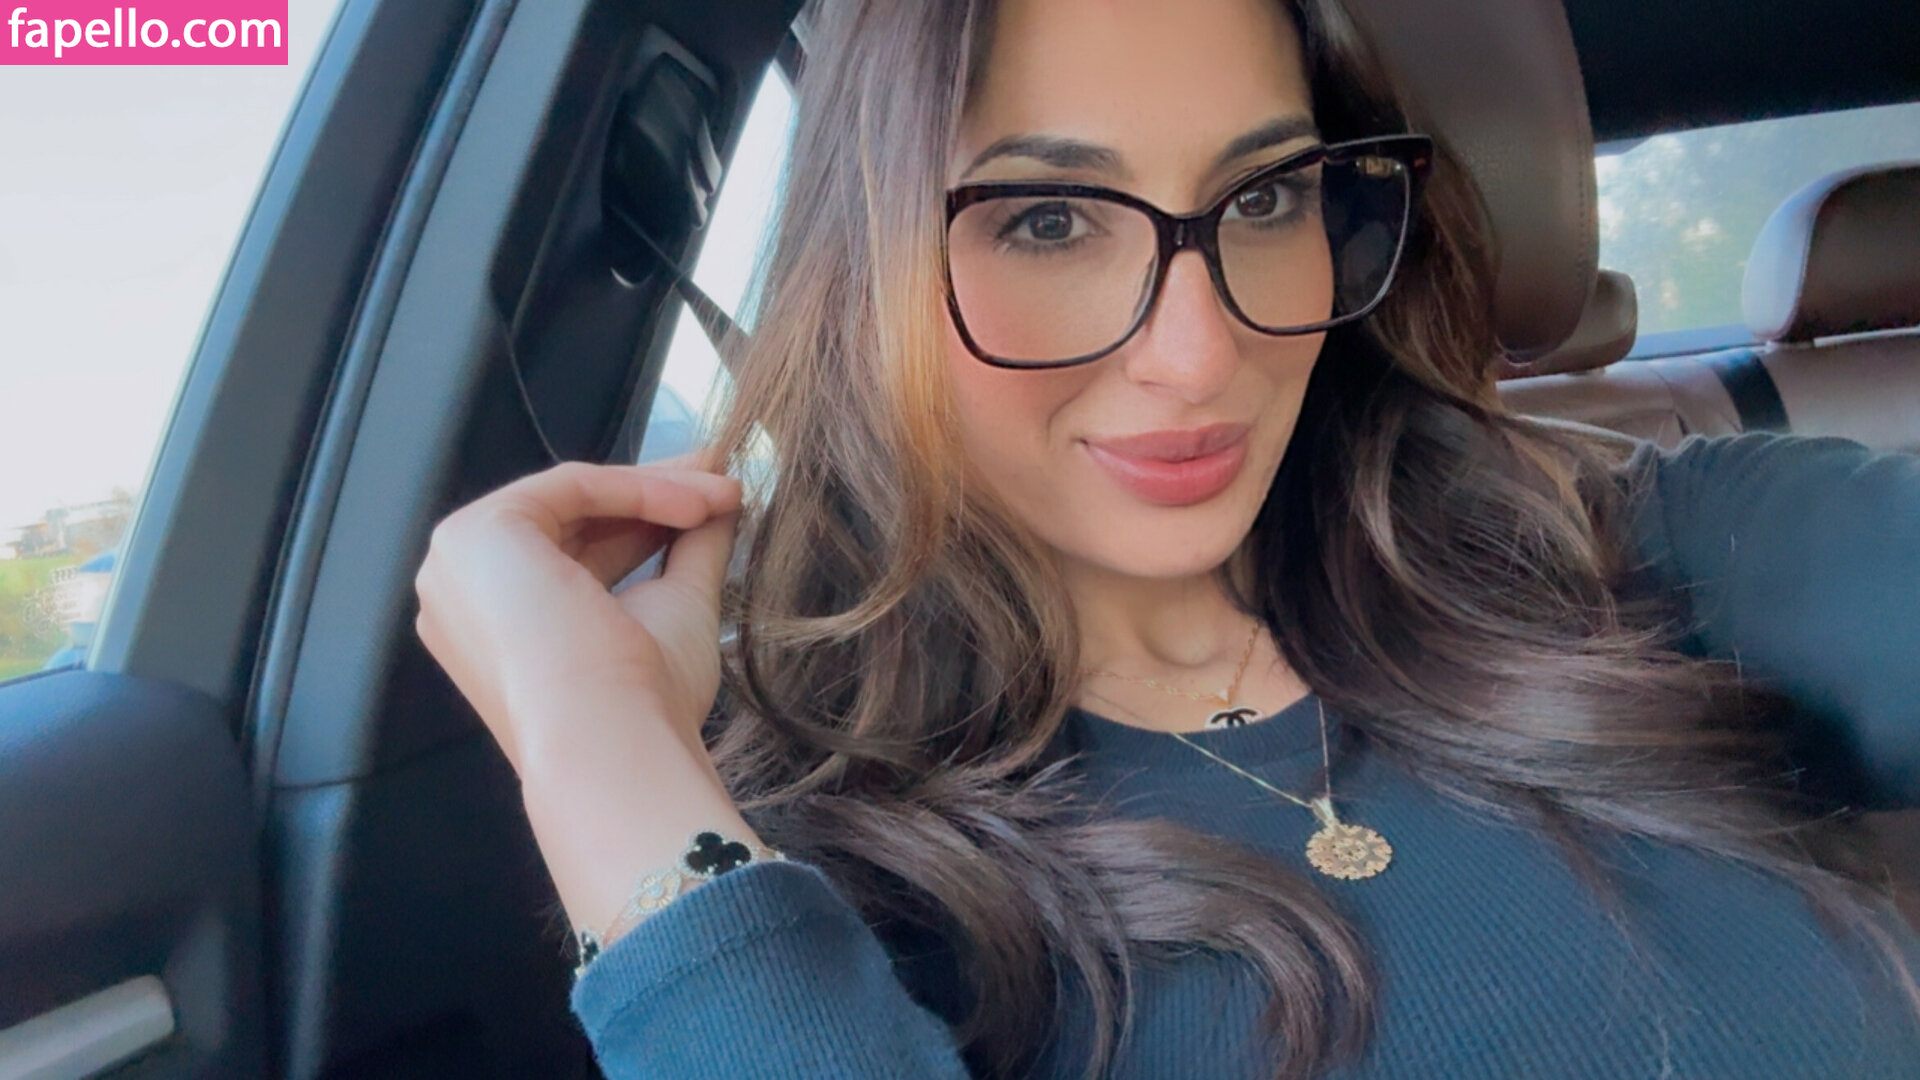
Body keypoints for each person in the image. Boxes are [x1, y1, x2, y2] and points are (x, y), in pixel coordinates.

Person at [410, 0, 1920, 1076]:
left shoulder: (1648, 548)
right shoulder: (797, 860)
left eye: (1265, 197)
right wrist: (595, 737)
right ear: (866, 275)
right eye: (1049, 221)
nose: (1200, 358)